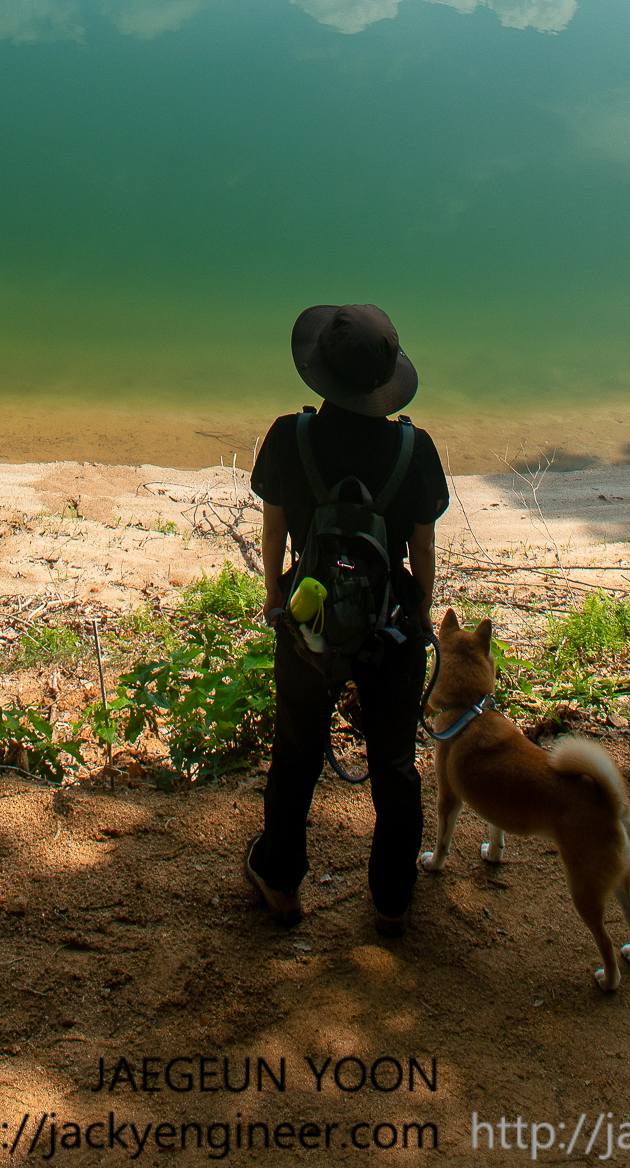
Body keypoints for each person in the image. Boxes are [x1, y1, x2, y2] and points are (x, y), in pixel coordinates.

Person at [244, 302, 448, 936]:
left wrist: (276, 597)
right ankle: (391, 900)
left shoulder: (290, 436)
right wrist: (417, 613)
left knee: (296, 753)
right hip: (390, 627)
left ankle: (281, 883)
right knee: (393, 764)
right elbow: (422, 552)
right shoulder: (414, 448)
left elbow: (274, 530)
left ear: (321, 372)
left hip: (308, 617)